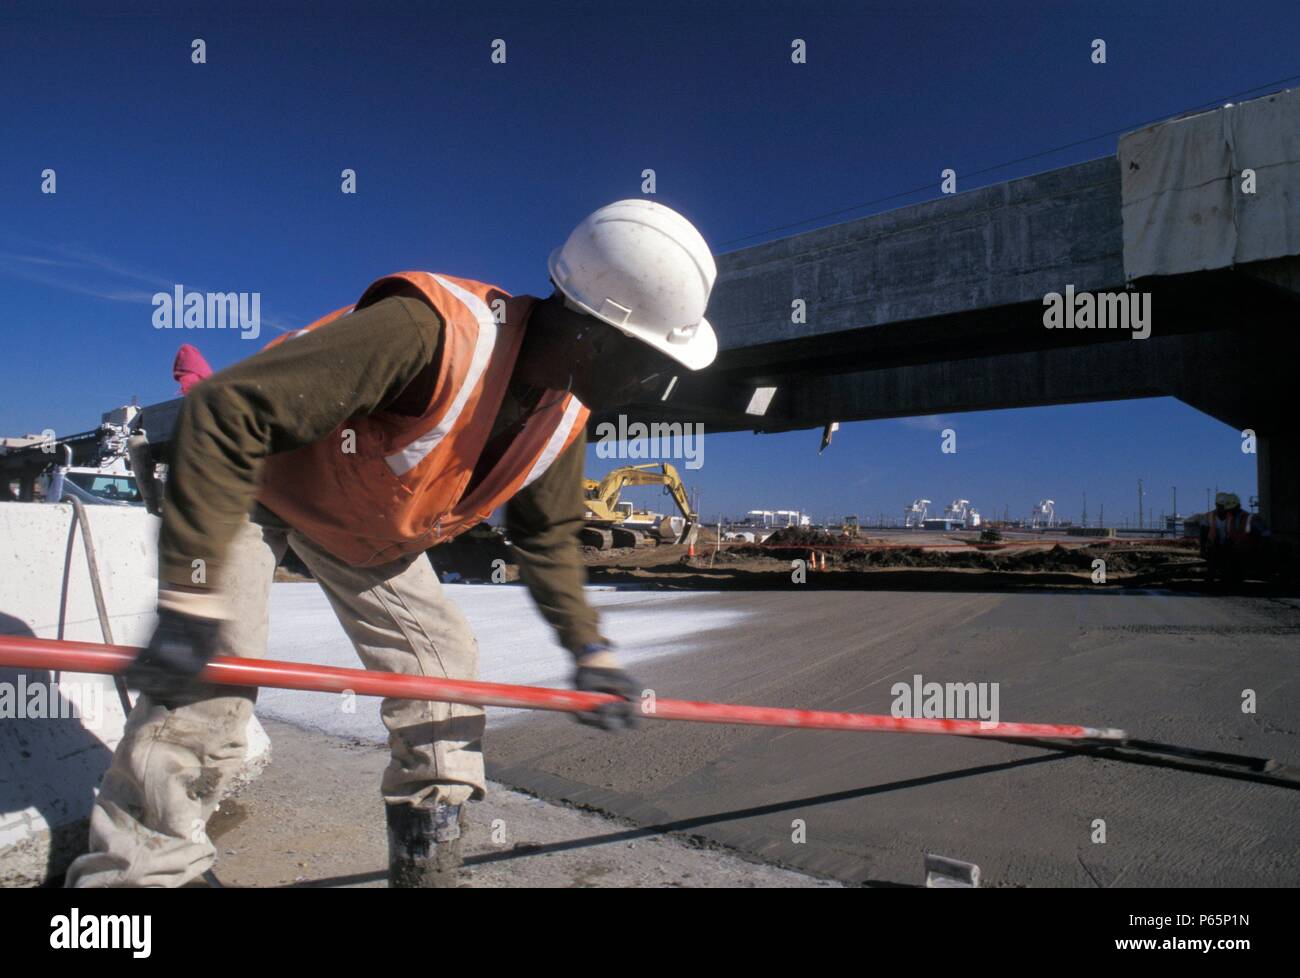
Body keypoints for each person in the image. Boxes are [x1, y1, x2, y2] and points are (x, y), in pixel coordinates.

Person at [66, 199, 719, 887]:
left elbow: (547, 535)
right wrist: (190, 605)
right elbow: (224, 411)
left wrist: (590, 647)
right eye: (651, 361)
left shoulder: (563, 414)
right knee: (208, 682)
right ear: (596, 332)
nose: (655, 382)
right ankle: (135, 883)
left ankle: (427, 863)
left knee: (444, 680)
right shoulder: (430, 330)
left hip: (366, 527)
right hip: (257, 487)